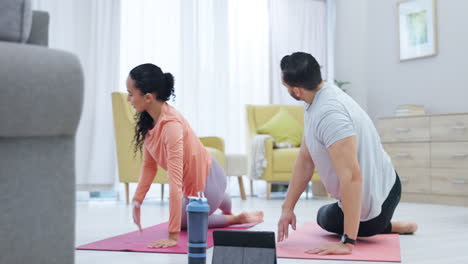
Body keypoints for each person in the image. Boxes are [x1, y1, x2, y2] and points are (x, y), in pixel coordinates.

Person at [276, 52, 417, 255]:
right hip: (387, 184)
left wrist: (347, 242)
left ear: (297, 90)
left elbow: (352, 177)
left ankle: (380, 225)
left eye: (286, 87)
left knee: (324, 217)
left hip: (380, 198)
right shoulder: (317, 99)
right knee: (329, 213)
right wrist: (287, 208)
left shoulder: (330, 114)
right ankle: (387, 225)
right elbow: (305, 160)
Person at [127, 63, 263, 248]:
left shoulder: (170, 126)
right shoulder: (150, 123)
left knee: (186, 224)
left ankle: (237, 217)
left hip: (207, 180)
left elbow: (174, 182)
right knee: (188, 214)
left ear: (148, 97)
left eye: (131, 94)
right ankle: (222, 199)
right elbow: (149, 167)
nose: (129, 99)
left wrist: (173, 235)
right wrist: (137, 200)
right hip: (205, 178)